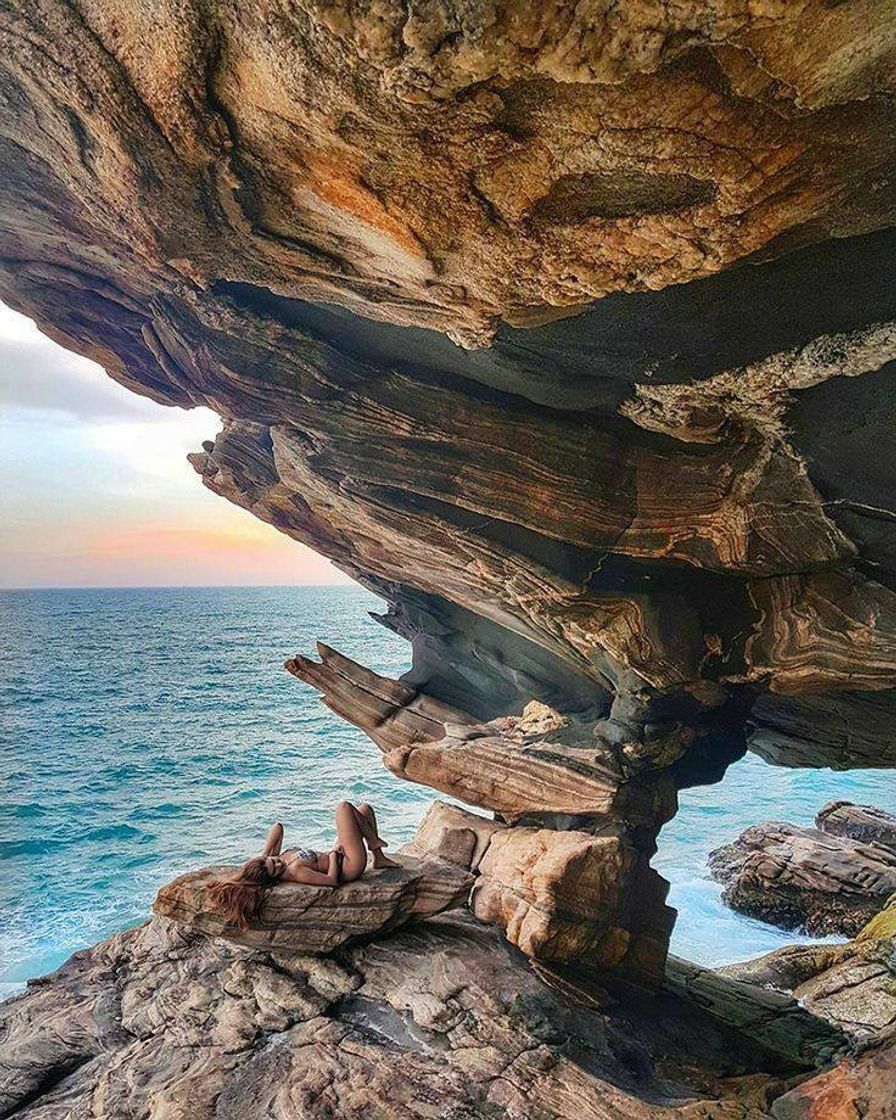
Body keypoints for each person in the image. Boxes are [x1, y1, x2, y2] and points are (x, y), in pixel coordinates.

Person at [207, 801, 397, 928]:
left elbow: (277, 827)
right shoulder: (294, 871)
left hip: (340, 854)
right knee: (344, 807)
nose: (278, 864)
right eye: (276, 870)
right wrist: (332, 856)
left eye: (273, 862)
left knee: (364, 810)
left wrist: (264, 855)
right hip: (348, 866)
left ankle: (378, 857)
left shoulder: (276, 858)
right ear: (274, 878)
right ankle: (374, 844)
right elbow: (332, 881)